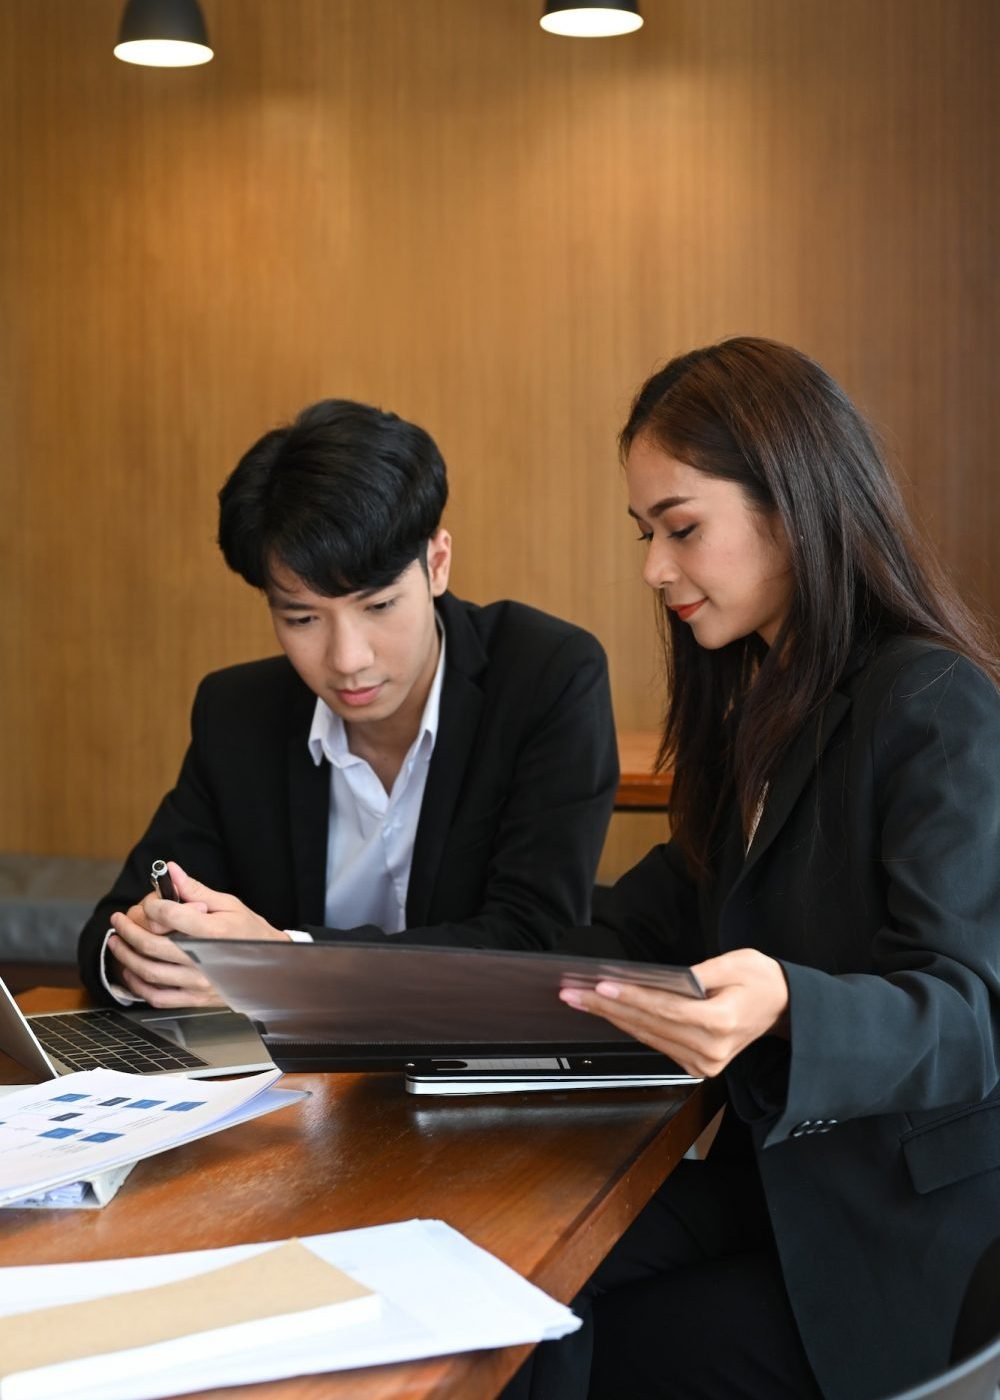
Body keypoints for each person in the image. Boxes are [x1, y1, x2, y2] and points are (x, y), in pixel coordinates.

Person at [509, 337, 1000, 1400]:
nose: (652, 568)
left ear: (791, 501)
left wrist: (789, 1005)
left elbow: (970, 1016)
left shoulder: (931, 704)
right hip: (777, 1185)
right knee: (515, 1283)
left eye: (682, 528)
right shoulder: (759, 705)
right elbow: (632, 923)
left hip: (897, 1237)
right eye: (646, 533)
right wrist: (356, 969)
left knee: (579, 1341)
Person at [77, 399, 618, 1008]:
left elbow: (533, 942)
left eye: (379, 606)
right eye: (303, 617)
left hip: (470, 1066)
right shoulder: (237, 712)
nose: (347, 658)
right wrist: (148, 956)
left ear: (436, 564)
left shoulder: (546, 676)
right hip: (285, 1087)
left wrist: (283, 963)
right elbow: (111, 924)